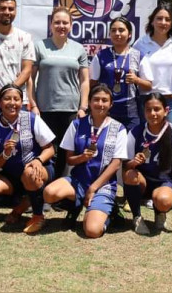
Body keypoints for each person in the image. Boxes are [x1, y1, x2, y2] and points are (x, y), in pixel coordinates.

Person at [43, 85, 128, 239]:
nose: (100, 104)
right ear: (89, 102)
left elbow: (116, 163)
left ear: (111, 104)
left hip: (103, 185)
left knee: (92, 231)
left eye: (104, 100)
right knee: (49, 193)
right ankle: (75, 207)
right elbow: (69, 159)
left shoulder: (119, 128)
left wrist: (94, 188)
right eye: (96, 99)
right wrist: (82, 157)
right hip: (78, 181)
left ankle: (110, 213)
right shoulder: (77, 124)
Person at [0, 84, 56, 234]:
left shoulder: (31, 118)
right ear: (0, 102)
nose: (12, 103)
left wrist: (38, 160)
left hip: (37, 169)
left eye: (16, 99)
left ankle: (37, 216)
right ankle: (22, 205)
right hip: (10, 175)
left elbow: (50, 149)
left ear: (21, 102)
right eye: (7, 99)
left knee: (30, 173)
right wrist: (5, 154)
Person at [29, 6, 89, 178]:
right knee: (47, 151)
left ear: (71, 25)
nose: (61, 26)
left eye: (65, 22)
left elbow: (85, 81)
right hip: (45, 109)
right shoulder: (39, 46)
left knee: (65, 151)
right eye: (57, 22)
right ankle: (44, 190)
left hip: (70, 109)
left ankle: (58, 191)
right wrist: (33, 105)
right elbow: (30, 79)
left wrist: (83, 107)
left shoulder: (79, 49)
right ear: (51, 25)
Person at [123, 93, 172, 234]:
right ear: (144, 111)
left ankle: (160, 213)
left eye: (157, 109)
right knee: (130, 175)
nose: (153, 113)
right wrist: (133, 162)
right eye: (148, 109)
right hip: (142, 181)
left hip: (164, 182)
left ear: (166, 110)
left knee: (164, 200)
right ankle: (137, 216)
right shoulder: (136, 132)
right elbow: (125, 166)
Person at [90, 16, 147, 129]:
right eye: (113, 30)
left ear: (129, 34)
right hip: (106, 112)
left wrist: (136, 80)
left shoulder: (138, 55)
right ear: (110, 34)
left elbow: (149, 85)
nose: (117, 33)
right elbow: (92, 83)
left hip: (130, 114)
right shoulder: (101, 55)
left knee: (130, 146)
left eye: (121, 30)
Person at [133, 4, 172, 127]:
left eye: (167, 19)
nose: (163, 22)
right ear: (152, 21)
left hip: (171, 102)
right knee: (148, 142)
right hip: (148, 101)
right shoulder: (140, 43)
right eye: (159, 18)